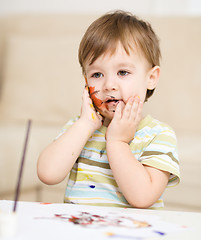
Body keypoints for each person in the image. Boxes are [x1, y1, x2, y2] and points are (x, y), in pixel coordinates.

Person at [37, 10, 180, 209]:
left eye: (123, 72)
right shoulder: (79, 128)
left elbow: (143, 197)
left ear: (151, 78)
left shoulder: (158, 135)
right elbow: (48, 174)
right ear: (85, 81)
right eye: (97, 74)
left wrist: (118, 142)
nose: (108, 85)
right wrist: (85, 124)